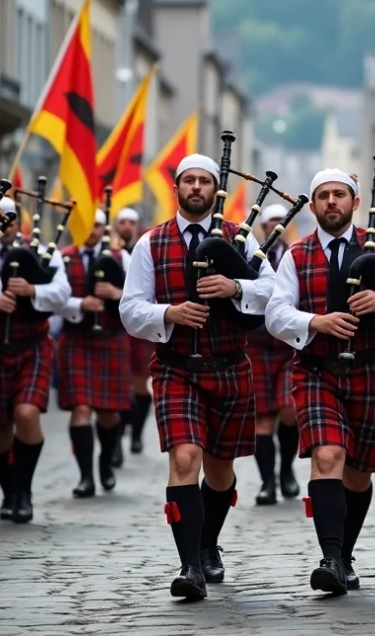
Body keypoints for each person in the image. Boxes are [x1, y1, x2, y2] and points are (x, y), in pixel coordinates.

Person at [265, 168, 375, 594]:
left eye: (339, 194)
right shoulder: (297, 255)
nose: (331, 202)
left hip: (370, 368)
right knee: (326, 457)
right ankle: (329, 557)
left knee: (358, 474)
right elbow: (275, 314)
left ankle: (343, 556)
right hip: (317, 370)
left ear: (355, 202)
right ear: (314, 203)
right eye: (322, 195)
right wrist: (315, 321)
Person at [118, 154, 274, 600]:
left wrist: (236, 287)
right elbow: (131, 310)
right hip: (175, 368)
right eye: (189, 181)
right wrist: (170, 312)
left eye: (204, 181)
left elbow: (276, 291)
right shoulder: (151, 243)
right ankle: (189, 566)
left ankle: (207, 543)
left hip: (228, 365)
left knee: (220, 472)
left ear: (215, 190)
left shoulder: (241, 241)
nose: (197, 188)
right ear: (176, 188)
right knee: (185, 459)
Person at [0, 196, 71, 523]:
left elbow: (62, 293)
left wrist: (32, 289)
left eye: (12, 216)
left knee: (26, 413)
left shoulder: (42, 251)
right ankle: (9, 493)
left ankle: (25, 491)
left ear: (22, 221)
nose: (5, 222)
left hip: (31, 345)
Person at [54, 209, 131, 498]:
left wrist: (117, 294)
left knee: (109, 413)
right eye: (87, 224)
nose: (93, 230)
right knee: (81, 408)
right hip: (77, 340)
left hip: (110, 339)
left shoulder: (121, 257)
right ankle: (85, 476)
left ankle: (105, 461)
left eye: (98, 225)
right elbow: (51, 301)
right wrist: (78, 304)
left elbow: (142, 295)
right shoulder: (63, 257)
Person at [246, 203, 301, 505]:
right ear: (263, 227)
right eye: (271, 222)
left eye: (281, 222)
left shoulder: (294, 256)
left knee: (288, 410)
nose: (276, 227)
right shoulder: (250, 257)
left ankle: (287, 470)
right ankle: (267, 482)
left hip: (287, 345)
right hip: (257, 345)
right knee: (262, 419)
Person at [113, 206, 154, 461]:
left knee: (141, 386)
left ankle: (136, 433)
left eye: (131, 222)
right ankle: (117, 439)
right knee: (119, 387)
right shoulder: (111, 252)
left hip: (139, 330)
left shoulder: (144, 250)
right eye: (123, 222)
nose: (126, 226)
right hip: (115, 330)